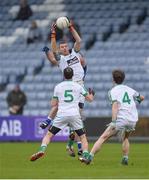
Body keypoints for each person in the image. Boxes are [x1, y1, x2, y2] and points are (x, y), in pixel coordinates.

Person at [41, 19, 88, 157]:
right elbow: (53, 53)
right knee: (77, 118)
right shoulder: (60, 60)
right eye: (61, 47)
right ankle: (78, 147)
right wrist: (53, 34)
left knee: (76, 119)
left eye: (65, 46)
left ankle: (71, 146)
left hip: (80, 85)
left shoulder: (75, 53)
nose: (64, 48)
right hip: (72, 87)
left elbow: (78, 40)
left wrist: (71, 27)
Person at [79, 69, 144, 165]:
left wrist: (113, 122)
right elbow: (141, 97)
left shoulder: (112, 91)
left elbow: (115, 106)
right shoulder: (129, 89)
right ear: (123, 79)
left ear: (113, 80)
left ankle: (90, 157)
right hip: (132, 119)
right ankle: (125, 158)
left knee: (103, 137)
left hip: (121, 119)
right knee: (126, 138)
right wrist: (136, 102)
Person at [30, 67, 94, 161]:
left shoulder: (58, 86)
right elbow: (90, 99)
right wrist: (92, 94)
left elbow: (53, 104)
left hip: (62, 115)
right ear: (72, 75)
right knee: (83, 137)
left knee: (49, 135)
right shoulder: (78, 86)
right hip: (74, 115)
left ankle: (42, 150)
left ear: (63, 75)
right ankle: (84, 155)